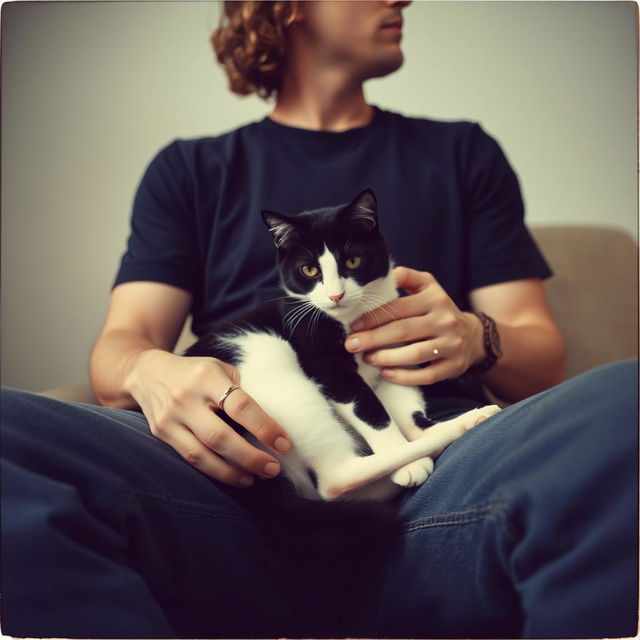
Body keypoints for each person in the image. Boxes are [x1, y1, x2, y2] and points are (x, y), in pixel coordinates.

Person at [1, 2, 636, 638]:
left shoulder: (463, 152)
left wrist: (479, 336)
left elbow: (545, 362)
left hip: (442, 482)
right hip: (231, 481)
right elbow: (120, 349)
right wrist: (148, 372)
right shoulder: (190, 170)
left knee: (628, 394)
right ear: (286, 7)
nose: (402, 0)